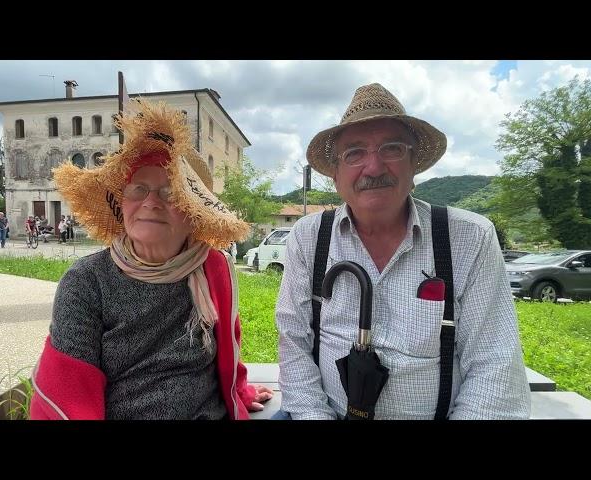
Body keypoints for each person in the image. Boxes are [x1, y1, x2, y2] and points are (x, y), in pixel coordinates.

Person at [274, 83, 531, 420]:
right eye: (354, 153)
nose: (374, 167)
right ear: (336, 176)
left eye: (391, 149)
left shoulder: (470, 237)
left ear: (414, 166)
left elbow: (494, 369)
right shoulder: (309, 236)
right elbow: (294, 344)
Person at [30, 98, 273, 420]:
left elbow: (228, 345)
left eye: (170, 193)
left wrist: (239, 390)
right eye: (138, 189)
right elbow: (69, 386)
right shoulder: (87, 280)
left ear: (193, 215)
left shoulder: (213, 267)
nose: (150, 202)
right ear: (122, 204)